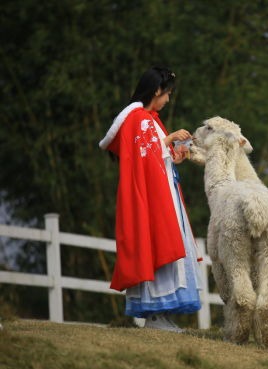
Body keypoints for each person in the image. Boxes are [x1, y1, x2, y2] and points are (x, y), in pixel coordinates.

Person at [99, 65, 203, 333]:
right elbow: (143, 157)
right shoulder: (140, 118)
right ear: (156, 90)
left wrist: (173, 154)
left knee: (165, 246)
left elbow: (152, 156)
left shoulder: (148, 118)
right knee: (159, 244)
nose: (168, 99)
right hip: (155, 196)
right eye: (166, 93)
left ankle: (162, 314)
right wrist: (169, 139)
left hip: (164, 190)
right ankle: (156, 315)